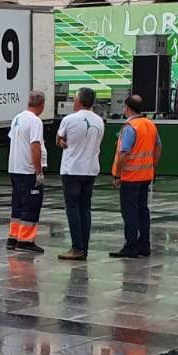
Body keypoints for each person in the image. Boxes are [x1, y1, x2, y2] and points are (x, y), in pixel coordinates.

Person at [55, 87, 104, 261]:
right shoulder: (99, 121)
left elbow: (59, 139)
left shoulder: (69, 119)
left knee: (73, 209)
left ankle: (77, 247)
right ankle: (84, 247)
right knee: (85, 208)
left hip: (72, 170)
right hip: (90, 169)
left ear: (79, 101)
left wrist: (63, 143)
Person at [110, 93, 161, 258]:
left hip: (130, 177)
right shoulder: (150, 124)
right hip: (146, 175)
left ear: (128, 108)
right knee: (142, 211)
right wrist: (152, 166)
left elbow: (124, 153)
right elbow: (159, 146)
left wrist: (118, 175)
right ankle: (144, 245)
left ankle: (131, 245)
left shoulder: (130, 127)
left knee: (129, 212)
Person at [7, 91, 48, 254]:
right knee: (31, 205)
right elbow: (35, 146)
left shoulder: (17, 118)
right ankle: (26, 240)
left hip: (15, 168)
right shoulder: (35, 121)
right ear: (41, 105)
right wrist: (38, 171)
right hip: (27, 170)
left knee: (17, 205)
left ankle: (13, 237)